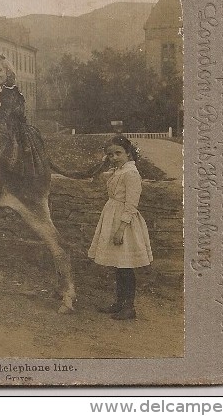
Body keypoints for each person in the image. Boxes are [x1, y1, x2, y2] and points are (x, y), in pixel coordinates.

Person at [88, 135, 153, 320]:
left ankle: (129, 307)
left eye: (118, 153)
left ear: (128, 153)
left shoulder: (131, 173)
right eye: (110, 155)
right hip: (113, 216)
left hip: (124, 222)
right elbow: (106, 176)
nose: (114, 157)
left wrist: (121, 229)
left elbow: (132, 203)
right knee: (119, 265)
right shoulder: (118, 171)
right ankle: (119, 303)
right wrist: (106, 164)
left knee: (126, 267)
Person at [0, 55, 49, 180]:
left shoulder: (9, 91)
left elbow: (4, 114)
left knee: (8, 159)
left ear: (8, 72)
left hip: (13, 131)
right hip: (6, 127)